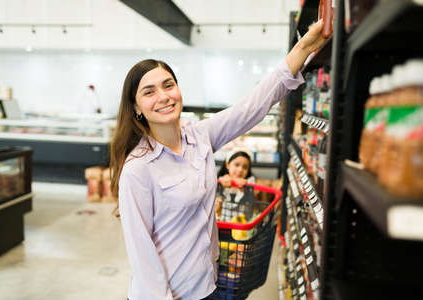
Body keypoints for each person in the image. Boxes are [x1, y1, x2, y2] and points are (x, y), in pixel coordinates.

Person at [110, 20, 326, 300]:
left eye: (168, 85)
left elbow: (251, 107)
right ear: (137, 108)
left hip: (207, 286)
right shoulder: (138, 168)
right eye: (149, 92)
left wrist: (305, 47)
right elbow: (141, 254)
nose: (163, 96)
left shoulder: (198, 137)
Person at [215, 148, 255, 221]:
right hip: (223, 223)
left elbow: (253, 195)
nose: (240, 170)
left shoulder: (250, 182)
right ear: (227, 165)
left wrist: (244, 186)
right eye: (236, 165)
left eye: (245, 167)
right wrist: (222, 186)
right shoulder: (221, 180)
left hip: (242, 226)